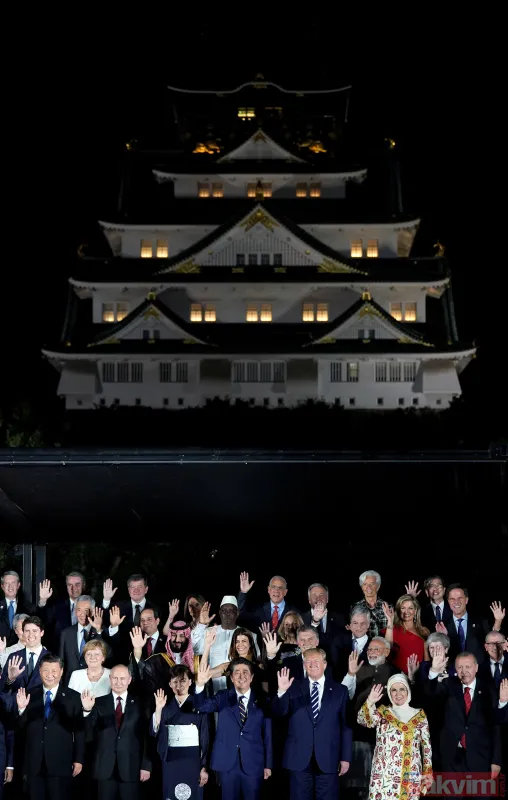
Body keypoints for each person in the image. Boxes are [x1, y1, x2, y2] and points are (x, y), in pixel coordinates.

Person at [273, 648, 352, 800]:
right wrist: (281, 691)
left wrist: (346, 757)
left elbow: (346, 726)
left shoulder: (340, 690)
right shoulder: (292, 686)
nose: (312, 664)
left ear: (325, 664)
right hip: (298, 758)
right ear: (304, 665)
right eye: (308, 661)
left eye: (316, 661)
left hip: (329, 757)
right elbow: (279, 713)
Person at [193, 658, 272, 800]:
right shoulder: (222, 697)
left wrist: (268, 764)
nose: (241, 676)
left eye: (245, 672)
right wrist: (200, 684)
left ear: (252, 677)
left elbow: (267, 735)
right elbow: (201, 706)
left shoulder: (263, 700)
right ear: (231, 677)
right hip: (227, 763)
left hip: (254, 762)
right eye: (237, 672)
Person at [15, 654, 85, 800]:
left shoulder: (73, 697)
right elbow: (20, 729)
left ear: (61, 671)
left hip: (60, 762)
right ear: (40, 671)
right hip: (34, 762)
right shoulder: (29, 694)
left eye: (54, 671)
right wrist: (21, 710)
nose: (50, 675)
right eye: (46, 670)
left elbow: (79, 731)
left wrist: (78, 759)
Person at [81, 664, 151, 799]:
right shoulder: (97, 703)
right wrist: (87, 710)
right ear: (110, 678)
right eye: (115, 678)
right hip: (104, 767)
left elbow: (146, 737)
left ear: (129, 680)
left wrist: (146, 765)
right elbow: (88, 733)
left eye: (122, 678)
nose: (118, 682)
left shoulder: (140, 704)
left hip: (131, 767)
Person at [358, 673, 433, 800]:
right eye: (394, 690)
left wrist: (427, 772)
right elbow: (363, 721)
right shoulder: (382, 713)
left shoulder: (419, 715)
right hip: (384, 776)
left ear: (408, 690)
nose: (398, 693)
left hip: (411, 774)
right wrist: (370, 701)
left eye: (402, 689)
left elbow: (426, 747)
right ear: (389, 692)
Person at [151, 665, 209, 799]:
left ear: (190, 682)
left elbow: (205, 737)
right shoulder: (165, 706)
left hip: (193, 760)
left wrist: (204, 766)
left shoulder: (199, 706)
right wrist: (158, 709)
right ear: (170, 684)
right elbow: (155, 732)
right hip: (171, 760)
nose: (179, 685)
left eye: (183, 681)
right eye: (175, 681)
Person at [59, 595, 107, 684]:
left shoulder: (101, 631)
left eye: (86, 610)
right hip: (71, 683)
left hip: (95, 682)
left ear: (93, 611)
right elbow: (61, 662)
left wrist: (98, 631)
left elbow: (108, 654)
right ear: (75, 611)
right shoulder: (66, 633)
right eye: (79, 610)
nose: (82, 614)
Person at [383, 596, 429, 675]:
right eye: (403, 608)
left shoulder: (424, 631)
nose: (406, 612)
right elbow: (387, 649)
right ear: (399, 610)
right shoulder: (391, 629)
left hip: (419, 675)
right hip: (397, 675)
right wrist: (390, 620)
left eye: (410, 608)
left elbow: (427, 658)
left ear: (415, 610)